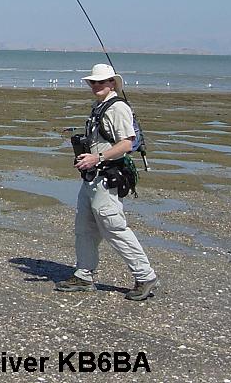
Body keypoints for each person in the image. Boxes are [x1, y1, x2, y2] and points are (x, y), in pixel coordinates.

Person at [55, 63, 159, 301]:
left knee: (114, 228)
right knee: (84, 228)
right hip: (92, 177)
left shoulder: (118, 108)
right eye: (93, 82)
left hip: (107, 176)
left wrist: (97, 158)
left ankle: (145, 275)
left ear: (112, 83)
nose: (96, 86)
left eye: (102, 82)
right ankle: (84, 275)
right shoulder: (99, 107)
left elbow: (126, 144)